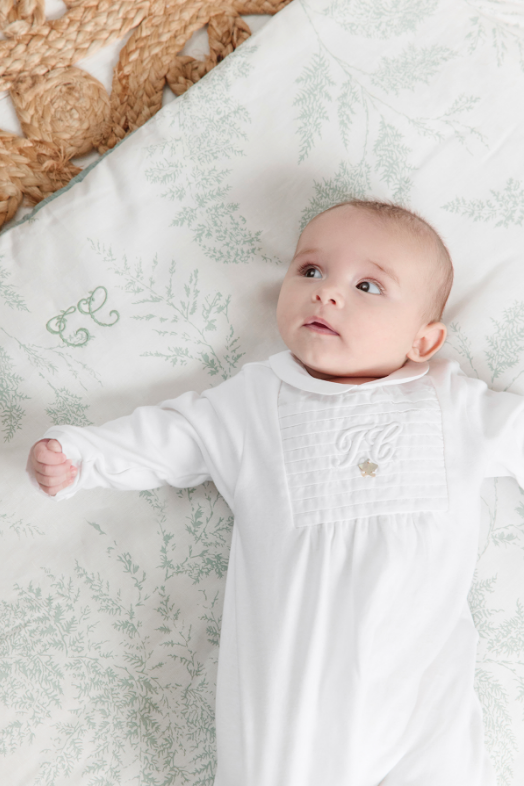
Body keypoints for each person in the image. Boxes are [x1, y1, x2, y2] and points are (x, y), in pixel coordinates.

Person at [27, 199, 507, 785]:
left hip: (422, 704)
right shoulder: (255, 402)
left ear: (424, 342)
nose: (327, 293)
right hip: (291, 702)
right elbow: (174, 436)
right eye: (310, 271)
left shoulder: (451, 405)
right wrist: (83, 454)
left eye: (368, 286)